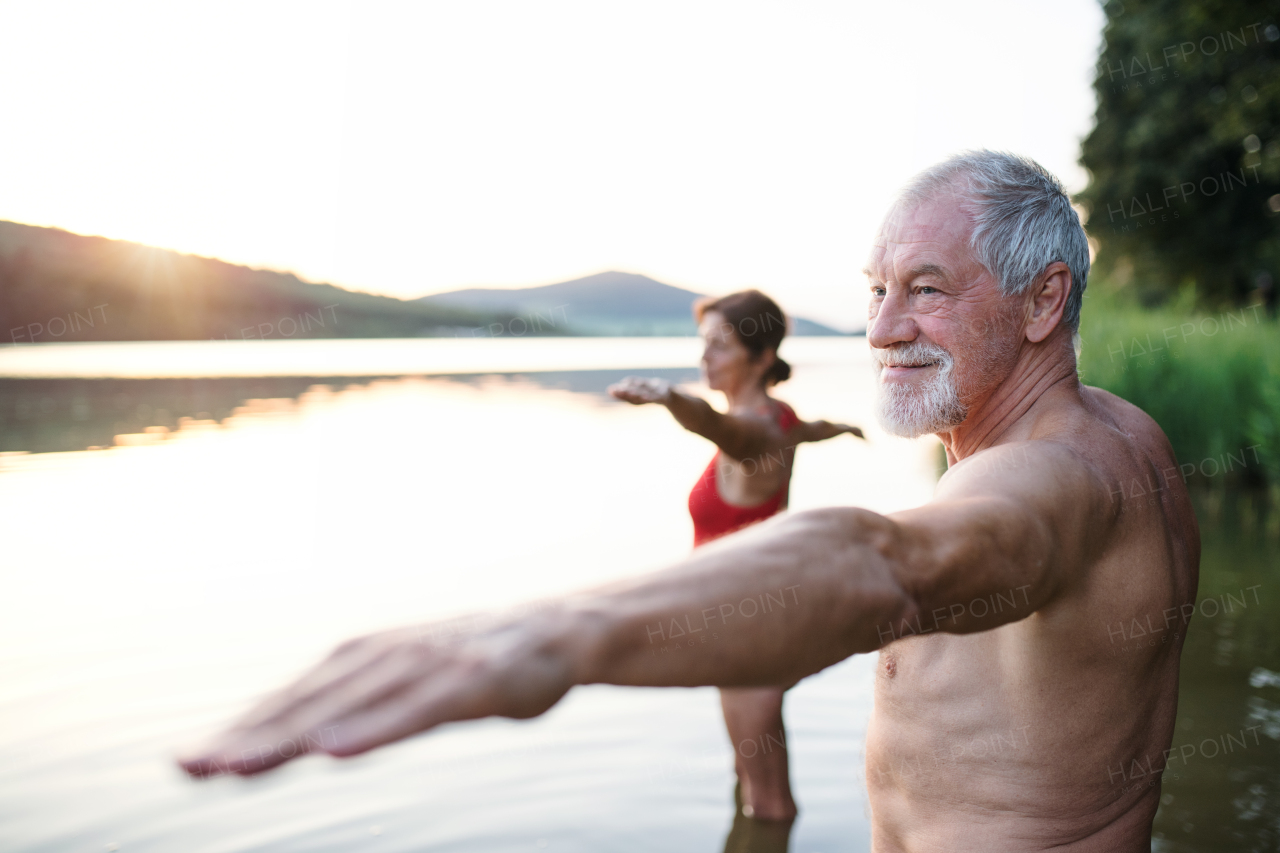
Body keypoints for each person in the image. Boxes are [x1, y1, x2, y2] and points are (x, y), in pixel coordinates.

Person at [178, 150, 1199, 853]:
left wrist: (557, 632)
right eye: (875, 287)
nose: (880, 327)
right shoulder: (1118, 433)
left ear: (1042, 300)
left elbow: (885, 564)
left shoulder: (1060, 476)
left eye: (924, 287)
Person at [607, 289, 864, 822]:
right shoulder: (781, 418)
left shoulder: (754, 432)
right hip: (749, 624)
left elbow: (717, 425)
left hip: (752, 635)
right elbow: (806, 431)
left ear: (762, 357)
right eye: (704, 345)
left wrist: (668, 397)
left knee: (767, 803)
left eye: (720, 346)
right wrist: (840, 429)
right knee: (748, 779)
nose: (706, 359)